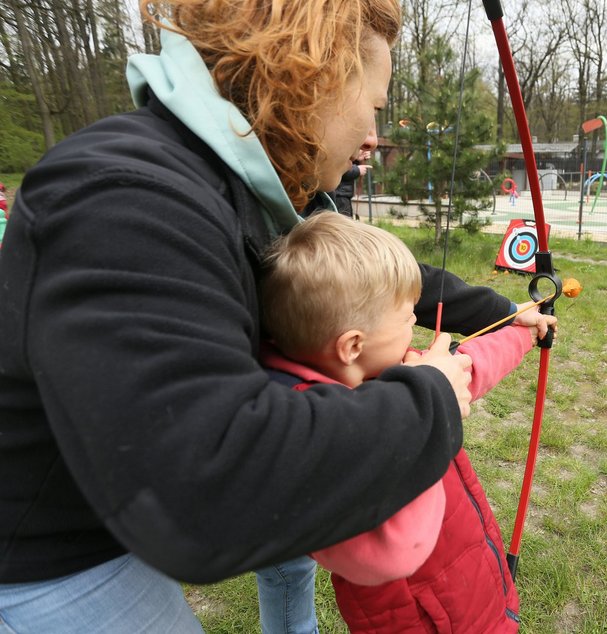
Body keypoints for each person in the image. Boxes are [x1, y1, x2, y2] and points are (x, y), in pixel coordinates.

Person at [0, 0, 554, 630]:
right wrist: (433, 397)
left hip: (103, 508)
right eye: (373, 106)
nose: (373, 135)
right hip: (44, 563)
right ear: (315, 76)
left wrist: (510, 312)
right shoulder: (126, 194)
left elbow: (378, 284)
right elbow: (204, 488)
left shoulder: (228, 185)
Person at [260, 212, 550, 632]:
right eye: (406, 316)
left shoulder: (382, 370)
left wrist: (522, 332)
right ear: (353, 344)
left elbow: (470, 367)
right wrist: (424, 402)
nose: (416, 321)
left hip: (461, 575)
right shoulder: (328, 434)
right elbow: (396, 548)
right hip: (418, 613)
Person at [332, 149, 372, 218]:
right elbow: (337, 167)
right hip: (339, 195)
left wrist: (357, 159)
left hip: (342, 194)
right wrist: (357, 170)